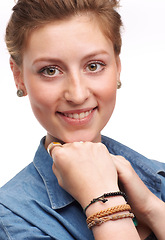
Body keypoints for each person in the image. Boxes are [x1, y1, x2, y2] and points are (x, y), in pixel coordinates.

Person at [0, 0, 165, 239]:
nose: (77, 95)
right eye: (50, 70)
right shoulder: (11, 219)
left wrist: (151, 207)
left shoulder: (158, 177)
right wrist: (103, 199)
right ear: (19, 77)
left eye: (94, 65)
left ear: (117, 67)